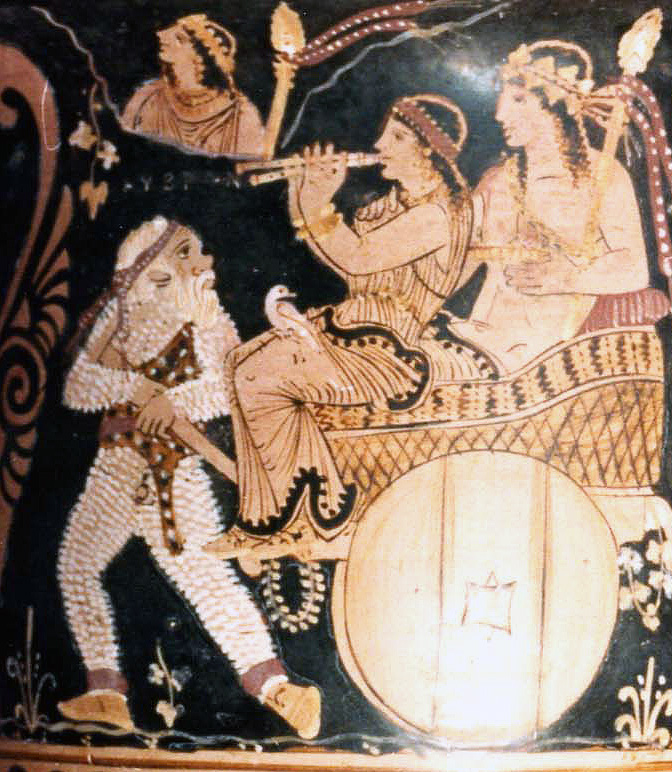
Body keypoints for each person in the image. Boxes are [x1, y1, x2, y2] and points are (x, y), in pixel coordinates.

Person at [57, 217, 320, 738]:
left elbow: (227, 389)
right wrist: (135, 390)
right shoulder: (122, 313)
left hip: (172, 470)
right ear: (153, 268)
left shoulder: (206, 316)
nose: (205, 263)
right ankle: (106, 693)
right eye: (188, 253)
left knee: (205, 579)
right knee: (77, 566)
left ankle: (281, 691)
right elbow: (78, 386)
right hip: (117, 467)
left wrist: (171, 402)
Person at [206, 94, 473, 560]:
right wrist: (303, 190)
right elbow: (343, 264)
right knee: (238, 363)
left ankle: (307, 514)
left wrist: (317, 199)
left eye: (396, 137)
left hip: (389, 356)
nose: (379, 145)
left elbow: (358, 257)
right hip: (354, 337)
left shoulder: (436, 216)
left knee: (259, 375)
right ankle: (264, 517)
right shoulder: (391, 205)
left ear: (428, 153)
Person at [453, 40, 669, 372]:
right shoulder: (496, 182)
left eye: (519, 100)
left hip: (558, 352)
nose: (500, 114)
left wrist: (565, 277)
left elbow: (634, 267)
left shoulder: (603, 175)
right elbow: (455, 260)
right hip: (484, 344)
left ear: (555, 105)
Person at [122, 14, 264, 155]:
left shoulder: (240, 115)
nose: (163, 36)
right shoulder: (147, 97)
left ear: (201, 56)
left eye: (180, 39)